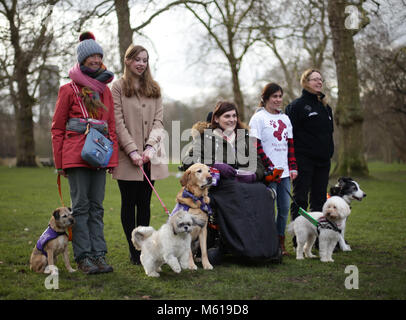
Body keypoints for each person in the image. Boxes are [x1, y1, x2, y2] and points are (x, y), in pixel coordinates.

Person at [181, 101, 280, 264]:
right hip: (221, 185)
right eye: (227, 116)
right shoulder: (207, 138)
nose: (232, 119)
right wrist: (214, 164)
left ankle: (268, 249)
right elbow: (188, 160)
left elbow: (259, 163)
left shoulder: (244, 136)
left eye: (234, 116)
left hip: (246, 181)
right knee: (236, 193)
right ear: (217, 119)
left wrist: (253, 175)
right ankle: (240, 248)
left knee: (263, 192)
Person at [51, 32, 118, 274]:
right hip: (75, 156)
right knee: (80, 208)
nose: (96, 59)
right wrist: (60, 163)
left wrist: (113, 160)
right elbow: (57, 128)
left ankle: (99, 255)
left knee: (97, 206)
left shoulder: (106, 91)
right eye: (91, 55)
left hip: (99, 156)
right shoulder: (68, 90)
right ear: (82, 59)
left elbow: (111, 126)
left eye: (99, 55)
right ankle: (84, 257)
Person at [112, 44, 169, 265]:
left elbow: (159, 121)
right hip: (128, 157)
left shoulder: (154, 88)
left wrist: (150, 148)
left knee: (144, 203)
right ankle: (133, 249)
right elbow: (117, 122)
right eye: (137, 59)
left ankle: (145, 248)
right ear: (127, 61)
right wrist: (133, 150)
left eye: (144, 60)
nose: (141, 63)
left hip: (150, 156)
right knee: (129, 202)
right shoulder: (117, 87)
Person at [249, 83, 298, 255]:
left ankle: (280, 242)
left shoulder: (285, 119)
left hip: (284, 173)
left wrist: (292, 167)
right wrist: (270, 166)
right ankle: (266, 243)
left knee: (284, 209)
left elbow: (290, 146)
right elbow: (255, 145)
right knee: (268, 210)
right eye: (274, 97)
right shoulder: (258, 118)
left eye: (280, 96)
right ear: (266, 98)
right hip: (267, 174)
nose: (278, 100)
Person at [285, 69, 334, 237]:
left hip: (323, 162)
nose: (319, 82)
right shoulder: (296, 106)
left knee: (320, 200)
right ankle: (299, 238)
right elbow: (289, 135)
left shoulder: (326, 107)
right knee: (300, 199)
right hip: (303, 160)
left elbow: (329, 133)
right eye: (315, 79)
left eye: (321, 79)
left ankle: (320, 236)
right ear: (306, 82)